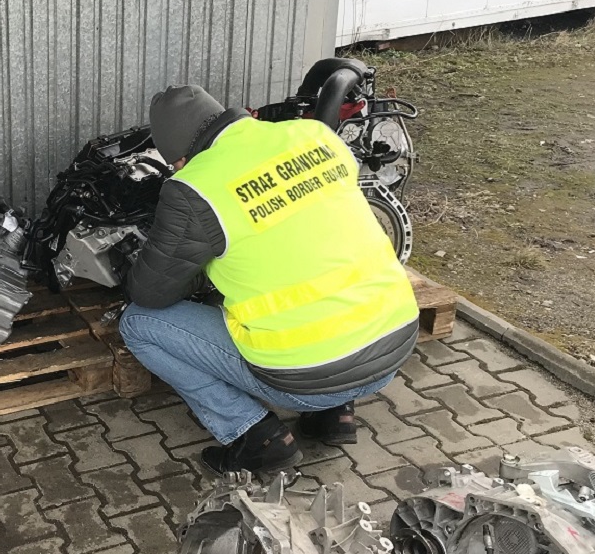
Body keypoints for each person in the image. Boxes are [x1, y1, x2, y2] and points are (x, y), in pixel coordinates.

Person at [118, 84, 419, 474]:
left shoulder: (195, 186)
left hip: (306, 378)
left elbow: (150, 291)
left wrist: (190, 271)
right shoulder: (314, 134)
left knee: (138, 323)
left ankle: (256, 437)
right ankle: (334, 414)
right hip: (394, 346)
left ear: (179, 158)